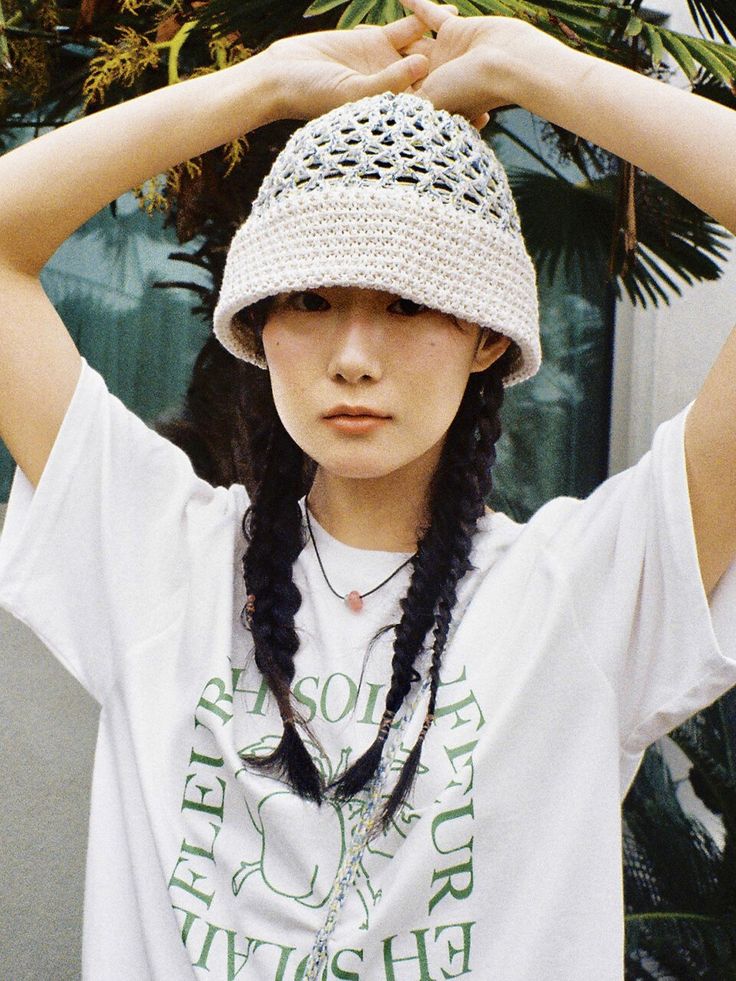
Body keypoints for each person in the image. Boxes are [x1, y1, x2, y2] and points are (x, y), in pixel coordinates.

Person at [1, 0, 735, 976]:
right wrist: (264, 84)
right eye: (310, 299)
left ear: (485, 335)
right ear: (258, 328)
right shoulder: (158, 558)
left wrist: (536, 70)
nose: (352, 356)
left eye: (405, 302)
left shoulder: (582, 593)